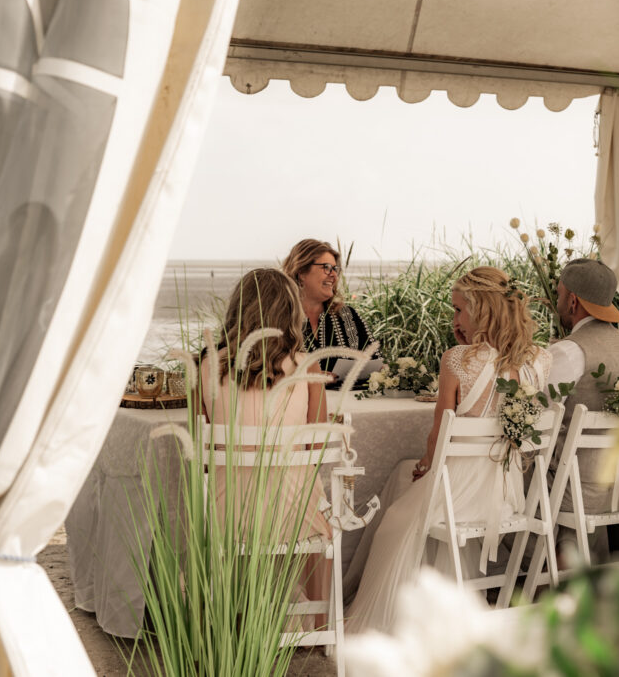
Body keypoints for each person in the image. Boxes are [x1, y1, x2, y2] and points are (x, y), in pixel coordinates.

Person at [345, 267, 551, 634]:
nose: (454, 318)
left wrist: (426, 464)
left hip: (458, 497)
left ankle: (409, 607)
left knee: (401, 496)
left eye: (459, 310)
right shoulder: (539, 359)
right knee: (404, 474)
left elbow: (438, 437)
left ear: (481, 309)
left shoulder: (457, 359)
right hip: (506, 495)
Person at [199, 268, 334, 620]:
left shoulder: (206, 365)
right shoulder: (308, 365)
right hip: (291, 515)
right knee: (317, 501)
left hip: (227, 513)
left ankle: (234, 616)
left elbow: (204, 446)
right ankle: (314, 624)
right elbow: (316, 447)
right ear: (291, 312)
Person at [546, 258, 619, 558]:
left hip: (577, 492)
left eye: (559, 294)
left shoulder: (568, 352)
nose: (557, 301)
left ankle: (526, 568)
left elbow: (539, 417)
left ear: (572, 301)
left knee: (502, 472)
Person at [282, 238, 375, 388]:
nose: (333, 275)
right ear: (301, 272)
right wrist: (308, 377)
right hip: (296, 406)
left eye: (335, 269)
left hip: (350, 406)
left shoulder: (348, 315)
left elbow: (375, 361)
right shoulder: (279, 318)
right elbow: (264, 367)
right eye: (326, 267)